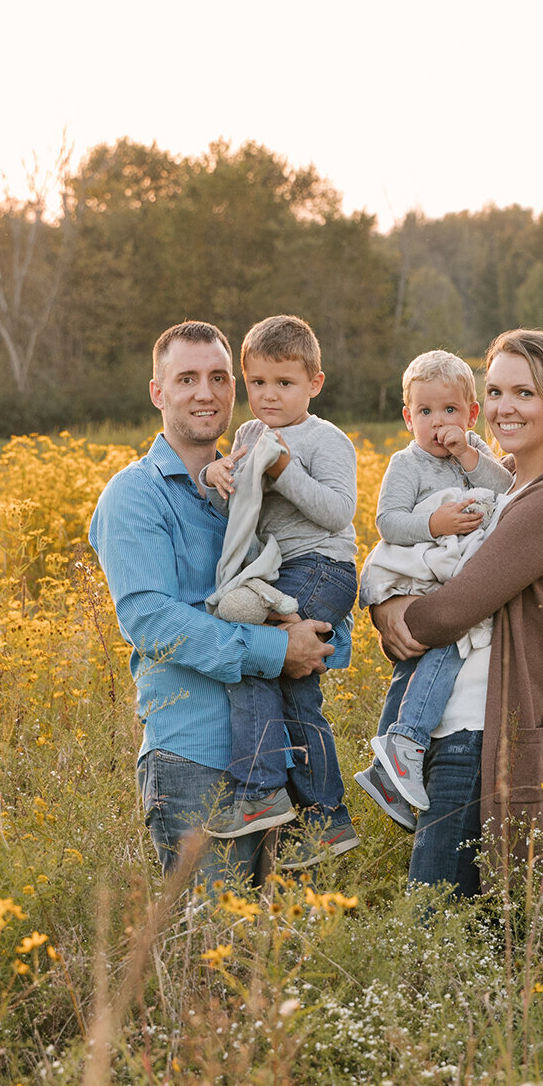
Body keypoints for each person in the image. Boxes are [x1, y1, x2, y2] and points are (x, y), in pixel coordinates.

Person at [89, 320, 335, 891]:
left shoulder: (252, 482)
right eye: (187, 378)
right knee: (214, 960)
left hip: (279, 759)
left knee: (275, 964)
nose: (206, 392)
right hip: (195, 758)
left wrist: (326, 635)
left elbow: (306, 574)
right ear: (158, 392)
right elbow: (149, 617)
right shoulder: (136, 493)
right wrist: (278, 650)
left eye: (219, 377)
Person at [368, 329, 543, 898]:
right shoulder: (507, 480)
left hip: (487, 731)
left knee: (435, 925)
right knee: (460, 927)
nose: (504, 408)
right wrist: (389, 607)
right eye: (495, 391)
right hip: (461, 723)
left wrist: (392, 608)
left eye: (523, 393)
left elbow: (450, 612)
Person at [196, 315, 360, 866]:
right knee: (289, 687)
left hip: (321, 568)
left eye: (284, 383)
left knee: (257, 660)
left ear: (314, 382)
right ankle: (320, 820)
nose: (269, 396)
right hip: (275, 571)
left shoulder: (325, 439)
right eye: (259, 383)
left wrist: (284, 464)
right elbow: (240, 504)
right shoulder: (246, 436)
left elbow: (338, 513)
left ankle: (260, 791)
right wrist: (213, 478)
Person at [355, 350, 514, 828]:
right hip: (419, 571)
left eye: (449, 411)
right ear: (408, 418)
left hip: (451, 575)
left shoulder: (477, 456)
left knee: (419, 665)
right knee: (429, 655)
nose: (437, 423)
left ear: (471, 415)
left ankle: (390, 769)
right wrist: (433, 522)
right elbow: (388, 522)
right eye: (425, 412)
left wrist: (469, 453)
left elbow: (507, 489)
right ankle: (402, 744)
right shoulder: (407, 464)